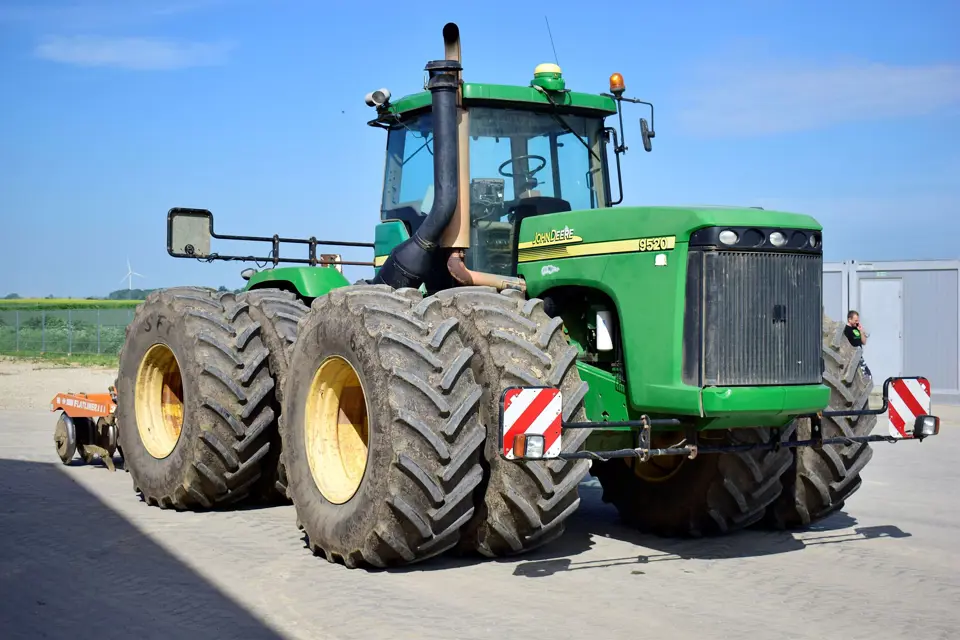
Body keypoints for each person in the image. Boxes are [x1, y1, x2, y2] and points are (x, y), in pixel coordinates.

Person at [843, 310, 871, 378]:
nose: (857, 322)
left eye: (858, 320)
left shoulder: (856, 328)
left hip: (859, 356)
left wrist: (861, 331)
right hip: (852, 357)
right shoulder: (846, 330)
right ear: (849, 319)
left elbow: (864, 342)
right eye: (855, 320)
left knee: (868, 376)